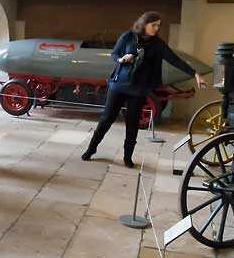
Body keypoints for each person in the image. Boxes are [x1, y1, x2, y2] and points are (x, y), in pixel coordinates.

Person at [81, 11, 207, 167]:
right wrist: (122, 59)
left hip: (139, 88)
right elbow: (114, 54)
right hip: (119, 84)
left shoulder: (158, 44)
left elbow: (175, 60)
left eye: (158, 26)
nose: (156, 28)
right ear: (144, 24)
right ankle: (91, 149)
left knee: (133, 123)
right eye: (153, 25)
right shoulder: (128, 36)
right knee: (107, 119)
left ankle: (128, 157)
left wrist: (195, 74)